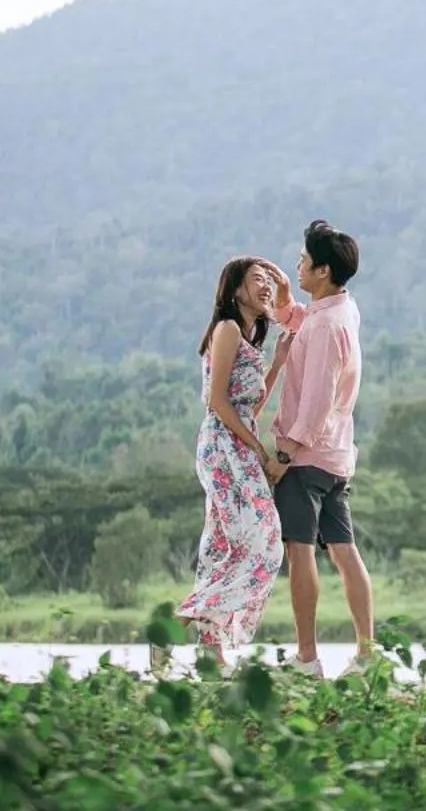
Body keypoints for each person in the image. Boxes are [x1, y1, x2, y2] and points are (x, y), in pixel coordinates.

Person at [266, 219, 374, 677]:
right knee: (345, 552)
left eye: (305, 262)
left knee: (300, 550)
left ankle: (307, 657)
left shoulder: (327, 326)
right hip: (335, 456)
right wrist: (288, 301)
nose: (299, 265)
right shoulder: (338, 310)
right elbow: (302, 323)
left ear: (324, 270)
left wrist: (285, 454)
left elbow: (316, 400)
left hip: (309, 457)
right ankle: (367, 654)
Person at [175, 255, 293, 663]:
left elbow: (249, 407)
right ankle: (181, 620)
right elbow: (216, 402)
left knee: (222, 544)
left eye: (268, 280)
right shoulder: (226, 329)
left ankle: (211, 652)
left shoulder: (248, 340)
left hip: (237, 440)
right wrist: (259, 451)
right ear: (234, 289)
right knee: (262, 543)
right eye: (257, 279)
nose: (265, 286)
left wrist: (276, 362)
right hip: (223, 446)